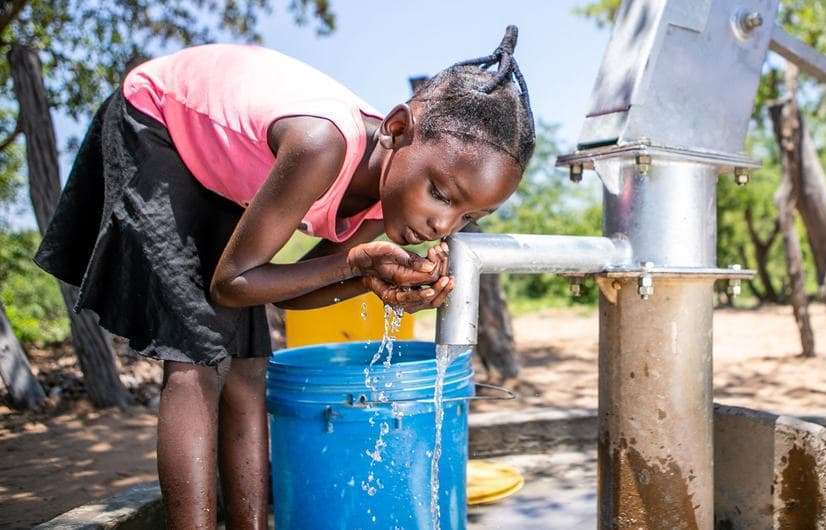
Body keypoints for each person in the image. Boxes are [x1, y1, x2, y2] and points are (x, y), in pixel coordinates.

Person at [34, 27, 535, 529]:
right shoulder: (322, 144)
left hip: (221, 168)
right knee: (193, 361)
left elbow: (288, 296)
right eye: (442, 195)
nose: (443, 226)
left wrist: (370, 279)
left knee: (250, 365)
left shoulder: (388, 201)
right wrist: (355, 263)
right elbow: (232, 284)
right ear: (397, 129)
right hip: (158, 119)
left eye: (469, 217)